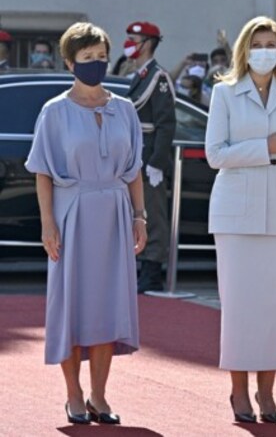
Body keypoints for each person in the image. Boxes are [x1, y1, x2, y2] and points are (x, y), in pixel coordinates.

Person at [25, 22, 146, 426]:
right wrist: (47, 224)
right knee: (71, 306)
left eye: (100, 56)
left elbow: (133, 171)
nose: (95, 63)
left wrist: (139, 216)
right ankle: (73, 395)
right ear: (69, 61)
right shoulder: (54, 111)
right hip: (71, 214)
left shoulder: (125, 109)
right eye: (86, 57)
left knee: (108, 307)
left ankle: (99, 396)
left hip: (114, 214)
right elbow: (42, 171)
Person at [205, 16, 276, 424]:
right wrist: (264, 147)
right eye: (257, 43)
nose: (264, 50)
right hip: (234, 212)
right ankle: (238, 392)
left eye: (272, 43)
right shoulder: (225, 93)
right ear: (245, 50)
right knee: (238, 308)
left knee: (273, 307)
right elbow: (216, 154)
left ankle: (267, 391)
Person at [124, 21, 176, 292]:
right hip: (136, 155)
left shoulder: (158, 77)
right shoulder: (140, 75)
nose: (130, 43)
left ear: (147, 43)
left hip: (149, 157)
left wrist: (157, 162)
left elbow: (166, 124)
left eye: (134, 39)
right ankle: (141, 265)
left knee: (153, 216)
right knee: (138, 214)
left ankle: (152, 270)